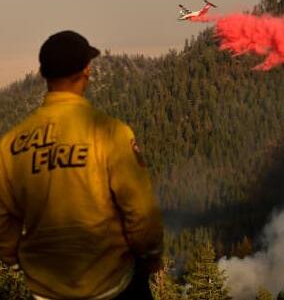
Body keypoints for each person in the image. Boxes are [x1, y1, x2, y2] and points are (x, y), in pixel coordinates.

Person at [0, 31, 164, 299]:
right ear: (86, 71)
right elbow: (141, 211)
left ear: (43, 73)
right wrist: (151, 258)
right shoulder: (111, 133)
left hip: (46, 290)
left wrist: (14, 259)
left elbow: (2, 219)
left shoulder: (10, 146)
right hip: (113, 285)